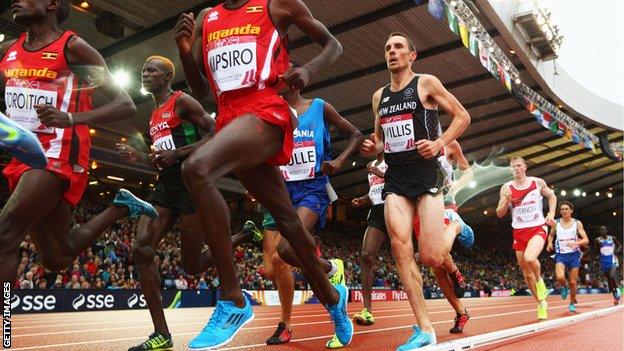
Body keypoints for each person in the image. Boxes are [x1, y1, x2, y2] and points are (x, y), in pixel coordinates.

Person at [173, 0, 353, 349]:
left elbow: (334, 44)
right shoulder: (207, 19)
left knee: (196, 169)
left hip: (265, 113)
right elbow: (201, 90)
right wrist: (185, 53)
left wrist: (310, 70)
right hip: (230, 120)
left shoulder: (276, 4)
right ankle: (333, 297)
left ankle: (233, 300)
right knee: (287, 222)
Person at [0, 0, 156, 285]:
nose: (16, 1)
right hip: (21, 154)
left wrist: (70, 118)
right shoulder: (8, 50)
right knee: (57, 257)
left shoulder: (72, 47)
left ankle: (5, 329)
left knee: (5, 234)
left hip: (57, 154)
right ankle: (119, 207)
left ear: (52, 4)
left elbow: (126, 105)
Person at [119, 56, 260, 351]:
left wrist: (181, 153)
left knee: (192, 266)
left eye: (151, 70)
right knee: (141, 249)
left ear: (167, 76)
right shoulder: (155, 111)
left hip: (190, 184)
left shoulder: (182, 102)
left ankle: (245, 234)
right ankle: (161, 334)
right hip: (165, 187)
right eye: (142, 69)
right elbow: (163, 154)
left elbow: (216, 131)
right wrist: (141, 157)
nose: (145, 74)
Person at [360, 32, 471, 350]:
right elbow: (381, 141)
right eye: (387, 48)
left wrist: (439, 142)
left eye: (397, 48)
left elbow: (463, 116)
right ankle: (425, 328)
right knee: (400, 250)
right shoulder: (379, 96)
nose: (391, 52)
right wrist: (373, 146)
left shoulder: (426, 84)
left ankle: (455, 224)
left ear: (412, 56)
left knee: (432, 256)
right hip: (395, 179)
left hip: (427, 176)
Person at [258, 83, 362, 346]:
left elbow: (356, 135)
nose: (275, 82)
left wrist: (338, 161)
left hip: (312, 189)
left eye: (281, 77)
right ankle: (329, 269)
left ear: (297, 80)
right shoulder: (270, 112)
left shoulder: (318, 107)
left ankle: (321, 310)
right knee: (275, 267)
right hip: (280, 191)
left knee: (288, 250)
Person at [412, 139, 474, 334]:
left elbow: (468, 171)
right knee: (437, 267)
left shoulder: (450, 143)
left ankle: (455, 269)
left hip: (443, 202)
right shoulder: (405, 144)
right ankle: (461, 312)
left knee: (438, 252)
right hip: (416, 207)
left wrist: (457, 184)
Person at [496, 156, 556, 320]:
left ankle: (540, 281)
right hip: (519, 231)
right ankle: (541, 303)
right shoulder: (506, 188)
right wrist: (505, 202)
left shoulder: (537, 183)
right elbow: (499, 213)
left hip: (537, 227)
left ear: (525, 167)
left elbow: (552, 196)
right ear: (510, 169)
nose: (516, 168)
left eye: (518, 165)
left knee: (530, 258)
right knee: (526, 274)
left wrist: (551, 214)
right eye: (513, 166)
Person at [350, 150, 388, 327]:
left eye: (374, 139)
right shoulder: (369, 165)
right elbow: (375, 190)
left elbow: (406, 180)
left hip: (396, 206)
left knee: (405, 257)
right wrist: (363, 199)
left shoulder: (394, 156)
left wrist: (382, 174)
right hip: (377, 211)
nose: (370, 143)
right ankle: (367, 310)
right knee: (366, 255)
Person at [546, 201, 589, 312]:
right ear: (560, 211)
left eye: (566, 209)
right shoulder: (556, 223)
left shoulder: (577, 223)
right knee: (560, 277)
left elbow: (586, 240)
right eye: (562, 209)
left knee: (573, 282)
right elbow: (550, 235)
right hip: (561, 255)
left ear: (571, 210)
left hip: (574, 255)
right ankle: (564, 286)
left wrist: (576, 243)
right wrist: (549, 243)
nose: (564, 211)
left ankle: (571, 303)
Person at [594, 225, 622, 305]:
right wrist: (596, 257)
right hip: (603, 261)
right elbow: (596, 251)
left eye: (603, 229)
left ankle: (616, 290)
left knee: (612, 276)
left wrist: (616, 251)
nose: (602, 231)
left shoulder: (612, 238)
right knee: (609, 280)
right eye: (600, 230)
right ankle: (615, 295)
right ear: (599, 232)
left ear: (606, 230)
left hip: (612, 260)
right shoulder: (597, 240)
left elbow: (620, 245)